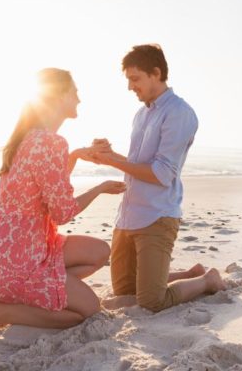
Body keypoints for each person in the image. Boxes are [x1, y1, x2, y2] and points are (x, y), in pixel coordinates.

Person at [0, 68, 125, 338]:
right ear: (59, 96)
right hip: (20, 261)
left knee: (99, 251)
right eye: (75, 92)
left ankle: (47, 290)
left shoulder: (25, 138)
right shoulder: (51, 142)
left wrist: (74, 156)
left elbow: (44, 188)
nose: (79, 99)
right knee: (88, 311)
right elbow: (62, 212)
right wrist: (99, 188)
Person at [93, 44, 226, 312]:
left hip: (157, 216)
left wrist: (113, 160)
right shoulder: (141, 114)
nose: (131, 87)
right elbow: (137, 164)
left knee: (152, 301)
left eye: (135, 79)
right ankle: (188, 273)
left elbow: (162, 174)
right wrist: (108, 154)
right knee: (125, 291)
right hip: (128, 215)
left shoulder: (179, 113)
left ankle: (205, 280)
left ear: (156, 73)